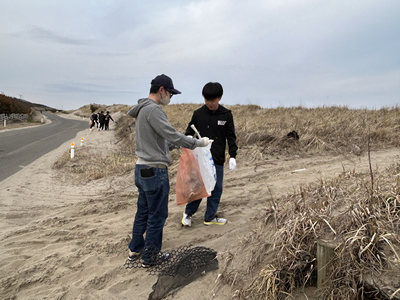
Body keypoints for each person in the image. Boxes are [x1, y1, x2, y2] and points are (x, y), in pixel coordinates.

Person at [127, 74, 212, 267]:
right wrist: (198, 142)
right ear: (162, 90)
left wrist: (176, 145)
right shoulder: (153, 110)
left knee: (143, 211)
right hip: (155, 171)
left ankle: (135, 249)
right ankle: (150, 257)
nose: (170, 98)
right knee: (157, 215)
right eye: (170, 94)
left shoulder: (141, 110)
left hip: (141, 168)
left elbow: (159, 141)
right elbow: (172, 135)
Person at [181, 82, 237, 227]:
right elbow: (189, 132)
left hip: (217, 158)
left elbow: (231, 137)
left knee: (216, 187)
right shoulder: (198, 114)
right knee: (199, 187)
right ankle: (188, 214)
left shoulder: (226, 114)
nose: (209, 103)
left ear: (219, 98)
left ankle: (210, 216)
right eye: (206, 100)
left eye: (212, 100)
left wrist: (232, 156)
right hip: (200, 159)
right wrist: (189, 140)